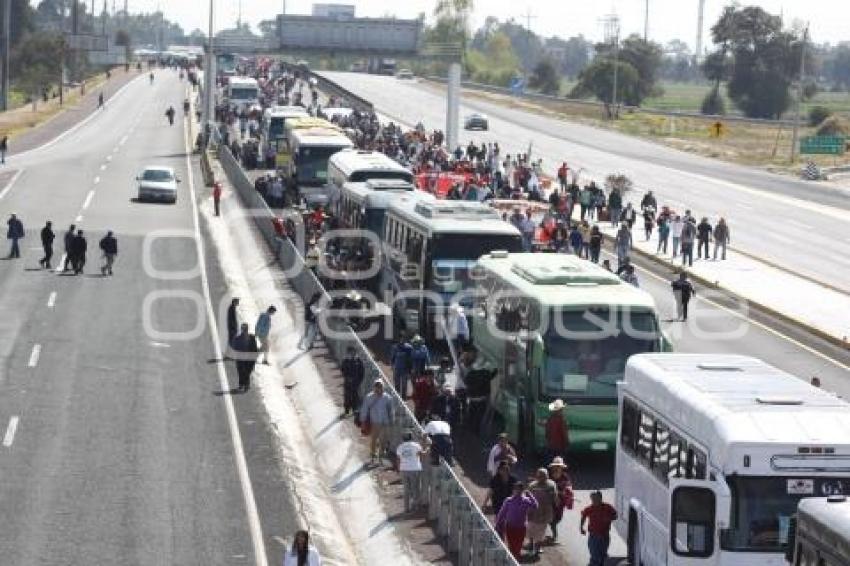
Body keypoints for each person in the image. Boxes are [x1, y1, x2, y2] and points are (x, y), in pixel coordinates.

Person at [495, 482, 539, 560]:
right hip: (510, 526)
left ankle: (516, 558)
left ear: (522, 490)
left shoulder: (526, 500)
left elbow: (535, 506)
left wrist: (530, 495)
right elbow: (502, 513)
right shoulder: (509, 500)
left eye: (519, 490)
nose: (517, 491)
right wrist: (498, 524)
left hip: (521, 527)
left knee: (518, 545)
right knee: (511, 545)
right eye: (516, 489)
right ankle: (512, 559)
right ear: (513, 490)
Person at [360, 380, 393, 465]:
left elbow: (391, 410)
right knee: (373, 440)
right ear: (374, 387)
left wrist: (391, 420)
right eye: (377, 387)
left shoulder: (388, 398)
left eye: (380, 387)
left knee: (383, 441)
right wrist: (363, 421)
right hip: (374, 422)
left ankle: (380, 456)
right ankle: (373, 455)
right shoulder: (369, 397)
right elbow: (364, 410)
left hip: (385, 422)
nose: (379, 389)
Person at [581, 491, 618, 566]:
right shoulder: (589, 508)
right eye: (592, 499)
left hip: (604, 535)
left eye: (596, 499)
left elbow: (615, 516)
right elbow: (584, 516)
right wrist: (581, 527)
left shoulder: (608, 507)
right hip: (593, 536)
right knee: (594, 554)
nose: (594, 501)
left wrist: (609, 518)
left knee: (603, 554)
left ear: (601, 498)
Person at [527, 468, 557, 558]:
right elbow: (527, 498)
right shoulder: (532, 485)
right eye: (539, 476)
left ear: (547, 476)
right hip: (533, 512)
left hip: (545, 513)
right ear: (536, 476)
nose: (541, 478)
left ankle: (537, 549)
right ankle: (531, 545)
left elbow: (554, 498)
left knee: (540, 532)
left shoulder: (551, 485)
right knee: (531, 531)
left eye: (544, 476)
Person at [396, 430, 428, 513]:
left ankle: (406, 508)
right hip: (415, 469)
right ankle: (415, 506)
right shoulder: (416, 446)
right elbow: (422, 454)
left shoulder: (400, 447)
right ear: (411, 437)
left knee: (406, 489)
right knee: (415, 488)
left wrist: (399, 469)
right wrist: (428, 449)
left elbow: (398, 459)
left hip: (404, 469)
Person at [548, 457, 574, 543]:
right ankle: (554, 536)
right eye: (556, 466)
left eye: (559, 466)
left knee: (558, 518)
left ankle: (553, 534)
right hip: (550, 501)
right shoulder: (549, 476)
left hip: (560, 502)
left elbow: (568, 486)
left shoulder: (565, 476)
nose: (557, 468)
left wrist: (566, 491)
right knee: (552, 519)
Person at [232, 323, 258, 392]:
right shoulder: (240, 338)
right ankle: (243, 385)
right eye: (244, 329)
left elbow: (255, 349)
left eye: (244, 329)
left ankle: (244, 385)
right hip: (243, 358)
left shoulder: (250, 338)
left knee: (245, 372)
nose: (244, 331)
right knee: (242, 372)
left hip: (248, 359)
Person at [340, 346, 364, 417]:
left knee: (355, 396)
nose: (351, 353)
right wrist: (347, 378)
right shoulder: (346, 360)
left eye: (353, 351)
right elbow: (343, 370)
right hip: (348, 382)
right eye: (350, 352)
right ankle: (346, 411)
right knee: (347, 397)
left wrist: (359, 381)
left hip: (356, 383)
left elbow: (362, 372)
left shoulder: (359, 361)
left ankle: (355, 410)